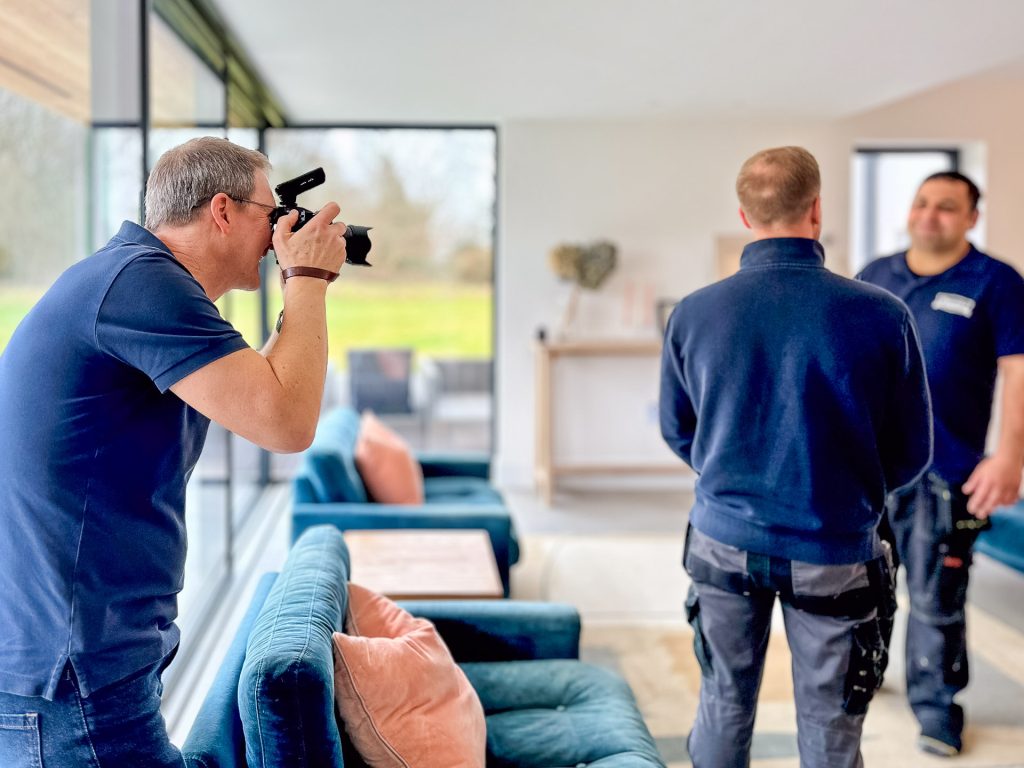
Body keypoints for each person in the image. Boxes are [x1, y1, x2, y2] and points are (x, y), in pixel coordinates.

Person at [0, 137, 348, 766]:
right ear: (223, 210)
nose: (278, 233)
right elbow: (287, 423)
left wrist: (299, 287)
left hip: (79, 658)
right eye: (270, 213)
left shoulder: (131, 278)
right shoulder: (144, 285)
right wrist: (308, 281)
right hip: (74, 672)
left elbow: (261, 390)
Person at [660, 146, 932, 768]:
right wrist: (849, 492)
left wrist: (729, 477)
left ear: (744, 215)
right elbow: (913, 449)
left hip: (722, 541)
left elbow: (678, 430)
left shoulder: (694, 312)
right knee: (832, 725)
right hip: (834, 548)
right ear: (816, 209)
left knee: (723, 703)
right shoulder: (882, 313)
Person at [858, 171, 1024, 757]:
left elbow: (1018, 371)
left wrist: (1010, 456)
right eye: (922, 203)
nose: (929, 215)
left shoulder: (996, 281)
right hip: (871, 469)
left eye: (946, 207)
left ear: (971, 218)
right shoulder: (875, 276)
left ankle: (936, 707)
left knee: (936, 596)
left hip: (944, 471)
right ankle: (864, 678)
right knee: (862, 587)